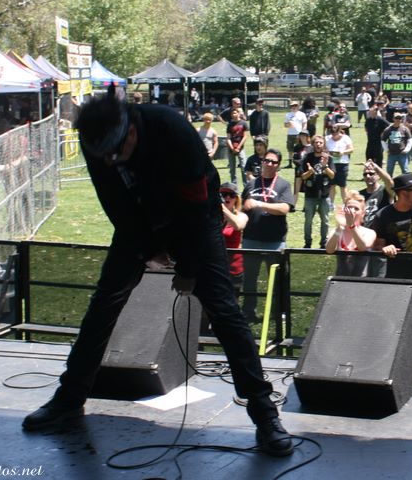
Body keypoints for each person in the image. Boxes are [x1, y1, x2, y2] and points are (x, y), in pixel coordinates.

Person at [21, 90, 293, 456]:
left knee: (225, 312)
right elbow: (115, 202)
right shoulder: (95, 136)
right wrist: (148, 250)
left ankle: (264, 414)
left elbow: (196, 210)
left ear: (131, 129)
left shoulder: (171, 129)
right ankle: (69, 399)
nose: (111, 160)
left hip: (195, 219)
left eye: (117, 152)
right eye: (106, 155)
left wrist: (189, 268)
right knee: (105, 303)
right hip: (139, 218)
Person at [241, 148, 296, 322]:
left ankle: (277, 313)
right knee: (249, 278)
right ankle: (248, 312)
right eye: (267, 160)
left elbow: (285, 208)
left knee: (277, 279)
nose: (270, 164)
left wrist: (259, 204)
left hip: (274, 241)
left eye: (274, 162)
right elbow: (242, 207)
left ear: (278, 165)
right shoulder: (251, 184)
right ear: (262, 162)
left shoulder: (283, 185)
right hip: (250, 239)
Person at [368, 173, 412, 280]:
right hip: (394, 275)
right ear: (403, 193)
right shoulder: (382, 215)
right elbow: (378, 245)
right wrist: (385, 248)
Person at [325, 190, 376, 276]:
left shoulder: (369, 233)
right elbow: (329, 250)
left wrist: (351, 226)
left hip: (362, 281)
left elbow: (362, 247)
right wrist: (339, 227)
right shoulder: (336, 231)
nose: (352, 211)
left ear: (363, 213)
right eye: (349, 208)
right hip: (340, 281)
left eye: (356, 208)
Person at [300, 135, 335, 249]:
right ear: (313, 144)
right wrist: (310, 172)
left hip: (324, 195)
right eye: (316, 142)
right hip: (310, 195)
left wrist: (325, 166)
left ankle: (323, 243)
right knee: (308, 221)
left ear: (323, 144)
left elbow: (332, 175)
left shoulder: (328, 158)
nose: (318, 144)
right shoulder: (307, 158)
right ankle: (307, 243)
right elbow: (303, 177)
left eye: (321, 142)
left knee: (325, 220)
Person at [219, 182, 246, 295]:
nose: (227, 198)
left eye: (231, 195)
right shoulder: (211, 216)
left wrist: (222, 208)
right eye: (224, 194)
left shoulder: (241, 216)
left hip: (234, 269)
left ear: (236, 199)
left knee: (232, 302)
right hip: (215, 267)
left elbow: (238, 225)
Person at [325, 126, 354, 206]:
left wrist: (343, 152)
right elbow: (324, 149)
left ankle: (346, 204)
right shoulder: (327, 138)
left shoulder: (346, 138)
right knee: (331, 185)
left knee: (342, 185)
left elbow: (351, 149)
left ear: (339, 131)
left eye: (335, 134)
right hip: (331, 164)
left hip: (342, 163)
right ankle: (330, 204)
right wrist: (327, 152)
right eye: (332, 134)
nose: (334, 136)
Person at [382, 112, 412, 176]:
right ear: (393, 119)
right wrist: (387, 149)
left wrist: (407, 149)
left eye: (400, 118)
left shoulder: (405, 129)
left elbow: (410, 140)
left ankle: (406, 182)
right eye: (396, 118)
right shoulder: (388, 129)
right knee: (389, 171)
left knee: (405, 171)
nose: (398, 120)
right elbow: (383, 140)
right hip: (391, 154)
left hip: (402, 153)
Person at [225, 108, 249, 184]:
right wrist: (232, 148)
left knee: (244, 167)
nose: (234, 115)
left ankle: (246, 185)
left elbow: (245, 136)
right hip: (231, 149)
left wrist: (238, 147)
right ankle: (234, 186)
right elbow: (228, 138)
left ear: (238, 113)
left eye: (235, 113)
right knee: (232, 169)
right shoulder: (230, 125)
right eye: (232, 113)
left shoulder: (244, 123)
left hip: (240, 148)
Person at [364, 102, 389, 167]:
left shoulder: (380, 120)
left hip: (378, 143)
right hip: (370, 142)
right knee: (369, 159)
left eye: (371, 111)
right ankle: (369, 171)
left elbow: (389, 126)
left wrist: (383, 134)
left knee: (378, 160)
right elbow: (366, 127)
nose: (369, 112)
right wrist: (367, 132)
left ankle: (379, 172)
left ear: (375, 111)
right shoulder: (368, 120)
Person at [283, 102, 306, 168]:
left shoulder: (302, 114)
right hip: (290, 134)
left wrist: (303, 132)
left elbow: (304, 123)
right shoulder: (288, 114)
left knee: (299, 148)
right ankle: (290, 164)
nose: (294, 107)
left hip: (299, 134)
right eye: (292, 105)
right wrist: (288, 124)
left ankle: (300, 162)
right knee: (290, 149)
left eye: (295, 105)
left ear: (298, 106)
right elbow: (285, 125)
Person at [291, 130, 312, 196]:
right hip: (299, 171)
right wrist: (301, 163)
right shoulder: (296, 147)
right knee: (296, 191)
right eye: (301, 135)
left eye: (304, 135)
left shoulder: (311, 148)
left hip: (308, 171)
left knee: (308, 190)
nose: (302, 137)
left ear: (307, 137)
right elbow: (294, 159)